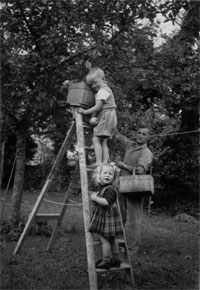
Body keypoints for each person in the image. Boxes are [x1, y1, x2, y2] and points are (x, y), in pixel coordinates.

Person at [114, 125, 153, 253]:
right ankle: (120, 243)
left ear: (148, 137)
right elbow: (118, 136)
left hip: (135, 188)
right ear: (136, 134)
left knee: (134, 219)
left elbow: (141, 171)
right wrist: (111, 122)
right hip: (121, 185)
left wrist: (124, 165)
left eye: (144, 134)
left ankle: (133, 247)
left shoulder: (146, 152)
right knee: (120, 215)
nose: (140, 135)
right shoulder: (130, 145)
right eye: (139, 133)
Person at [78, 68, 117, 167]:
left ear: (103, 78)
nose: (94, 86)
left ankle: (99, 162)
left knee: (95, 139)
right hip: (111, 116)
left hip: (106, 116)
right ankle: (105, 162)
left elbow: (98, 107)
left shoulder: (102, 91)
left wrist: (85, 111)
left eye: (95, 82)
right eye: (92, 85)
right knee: (103, 141)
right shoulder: (106, 89)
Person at [89, 163, 123, 269]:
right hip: (106, 217)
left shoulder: (110, 190)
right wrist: (95, 195)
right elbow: (101, 194)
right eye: (105, 173)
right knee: (112, 239)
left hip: (108, 218)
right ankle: (116, 259)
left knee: (104, 239)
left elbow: (106, 202)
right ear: (99, 175)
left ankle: (106, 260)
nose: (107, 175)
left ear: (114, 177)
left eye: (110, 174)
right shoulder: (103, 187)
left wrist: (95, 199)